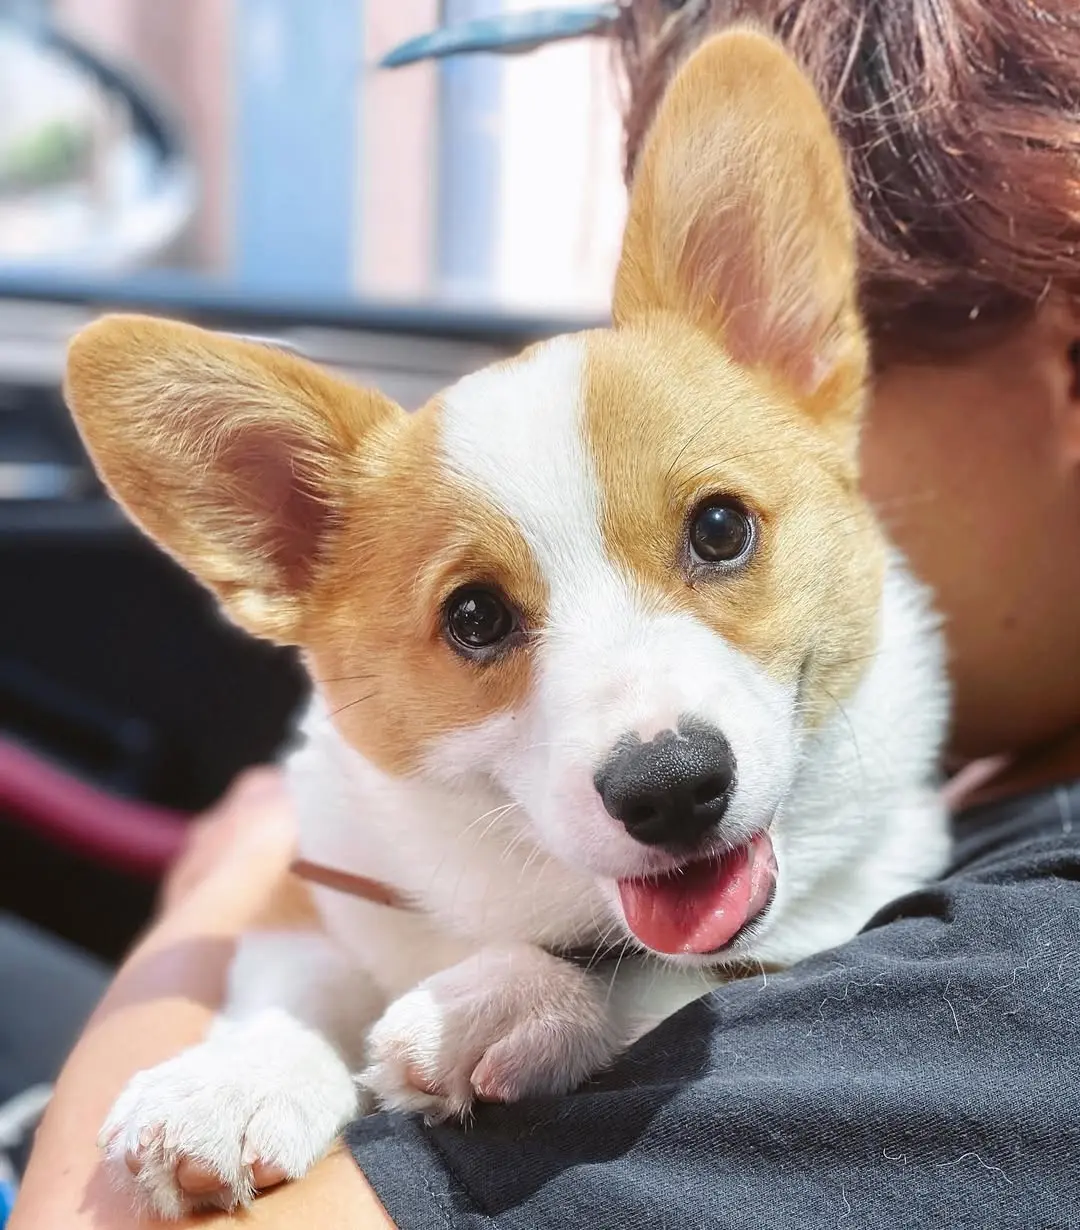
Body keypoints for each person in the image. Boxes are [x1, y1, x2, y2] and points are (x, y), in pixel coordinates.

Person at [12, 0, 1080, 1225]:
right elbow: (326, 950)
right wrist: (282, 1036)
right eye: (479, 618)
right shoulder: (987, 787)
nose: (658, 745)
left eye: (716, 533)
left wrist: (221, 887)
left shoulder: (1016, 994)